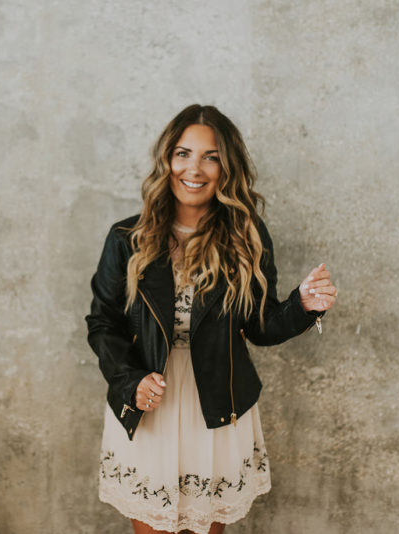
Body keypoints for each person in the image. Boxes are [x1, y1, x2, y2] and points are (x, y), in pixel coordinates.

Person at [85, 104, 337, 534]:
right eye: (183, 153)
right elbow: (103, 323)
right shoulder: (127, 239)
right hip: (149, 406)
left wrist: (302, 305)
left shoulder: (246, 236)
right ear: (167, 160)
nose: (194, 168)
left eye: (211, 156)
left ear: (227, 167)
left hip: (218, 406)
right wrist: (131, 381)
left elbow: (260, 325)